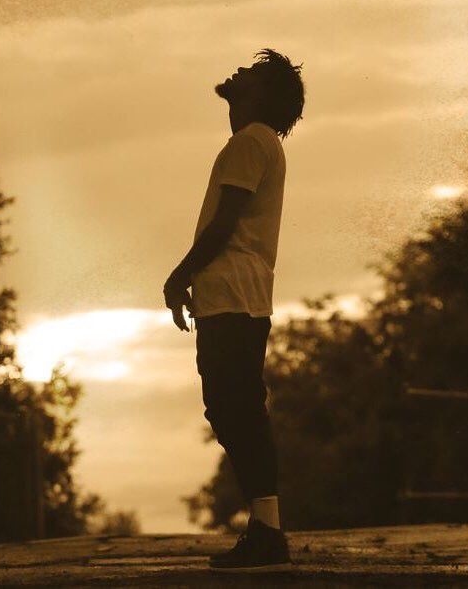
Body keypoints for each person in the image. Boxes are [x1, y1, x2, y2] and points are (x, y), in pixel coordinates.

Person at [163, 48, 305, 572]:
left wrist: (180, 275)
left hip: (234, 293)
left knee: (237, 407)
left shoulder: (249, 142)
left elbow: (224, 225)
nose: (238, 73)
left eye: (250, 73)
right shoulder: (255, 144)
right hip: (236, 295)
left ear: (261, 95)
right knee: (231, 407)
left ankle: (268, 531)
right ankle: (265, 525)